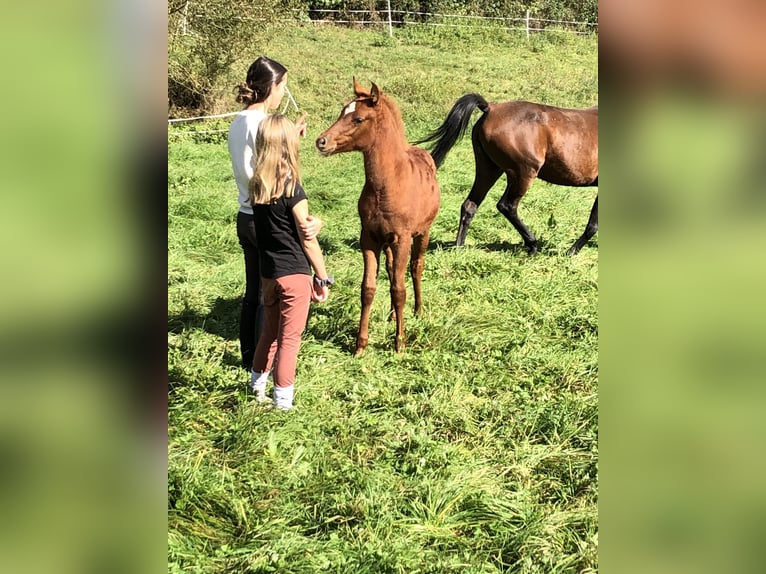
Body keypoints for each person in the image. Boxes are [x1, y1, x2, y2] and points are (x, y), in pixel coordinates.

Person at [227, 56, 321, 371]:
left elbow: (261, 151)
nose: (284, 92)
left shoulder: (238, 122)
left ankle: (249, 360)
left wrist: (291, 133)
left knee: (252, 293)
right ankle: (264, 367)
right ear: (272, 87)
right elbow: (273, 162)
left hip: (245, 216)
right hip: (268, 216)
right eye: (283, 85)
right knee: (271, 301)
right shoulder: (262, 124)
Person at [248, 114, 332, 411]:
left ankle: (256, 385)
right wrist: (322, 278)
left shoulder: (257, 186)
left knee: (269, 334)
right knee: (290, 339)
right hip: (295, 274)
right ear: (289, 146)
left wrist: (288, 131)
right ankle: (283, 402)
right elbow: (307, 237)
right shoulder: (292, 188)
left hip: (269, 274)